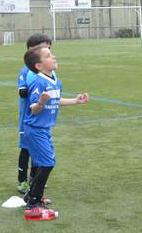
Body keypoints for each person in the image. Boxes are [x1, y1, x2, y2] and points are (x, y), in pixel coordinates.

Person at [21, 45, 88, 220]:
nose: (54, 57)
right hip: (35, 129)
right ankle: (33, 204)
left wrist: (75, 101)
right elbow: (34, 110)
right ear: (39, 65)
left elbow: (56, 100)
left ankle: (31, 196)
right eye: (49, 56)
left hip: (43, 129)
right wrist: (41, 102)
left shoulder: (54, 80)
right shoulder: (37, 81)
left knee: (44, 162)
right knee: (47, 163)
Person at [16, 34, 54, 194]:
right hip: (29, 118)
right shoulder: (26, 72)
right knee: (26, 148)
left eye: (49, 49)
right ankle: (22, 180)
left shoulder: (49, 72)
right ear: (32, 50)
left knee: (40, 150)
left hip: (43, 120)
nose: (49, 52)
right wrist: (37, 86)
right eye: (45, 48)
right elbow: (23, 92)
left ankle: (35, 178)